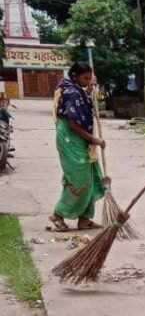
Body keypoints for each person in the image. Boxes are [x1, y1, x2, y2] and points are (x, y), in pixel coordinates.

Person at [49, 62, 106, 232]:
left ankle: (85, 219)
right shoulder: (72, 92)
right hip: (70, 137)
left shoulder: (76, 90)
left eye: (90, 78)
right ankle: (58, 214)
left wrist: (89, 92)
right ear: (75, 76)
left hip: (78, 138)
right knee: (79, 179)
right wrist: (93, 139)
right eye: (85, 78)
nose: (88, 81)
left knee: (91, 176)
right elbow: (73, 123)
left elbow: (83, 107)